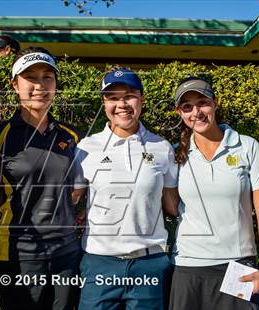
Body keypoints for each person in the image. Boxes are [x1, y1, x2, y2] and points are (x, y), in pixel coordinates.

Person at [0, 46, 82, 310]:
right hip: (18, 255)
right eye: (30, 77)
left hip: (67, 256)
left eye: (47, 76)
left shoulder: (73, 136)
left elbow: (84, 187)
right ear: (15, 85)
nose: (40, 85)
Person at [74, 67, 179, 310]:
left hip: (149, 263)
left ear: (141, 98)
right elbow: (72, 198)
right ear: (104, 102)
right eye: (113, 97)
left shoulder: (162, 147)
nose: (122, 104)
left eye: (129, 95)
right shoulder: (86, 147)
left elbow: (173, 205)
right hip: (99, 263)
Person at [169, 77, 259, 310]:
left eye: (202, 102)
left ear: (215, 103)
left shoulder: (247, 147)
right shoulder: (175, 155)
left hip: (237, 268)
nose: (196, 112)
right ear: (180, 112)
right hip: (188, 269)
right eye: (187, 106)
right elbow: (171, 204)